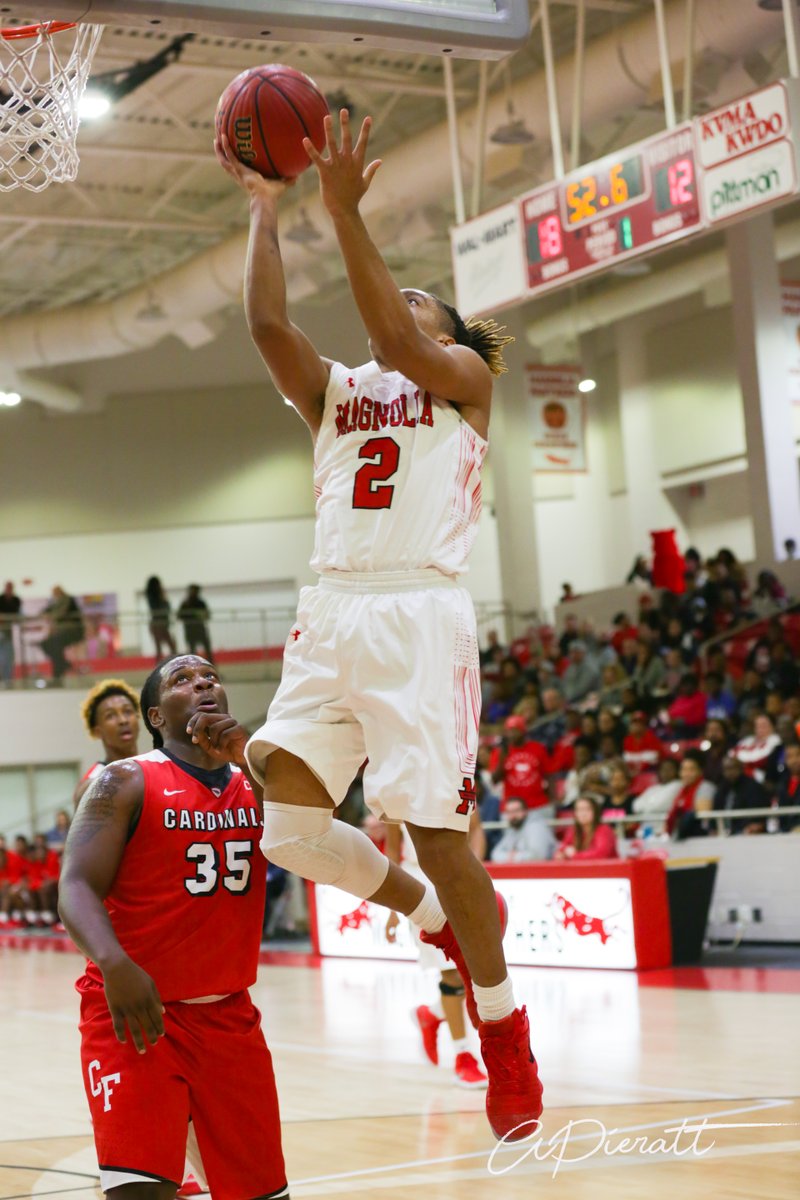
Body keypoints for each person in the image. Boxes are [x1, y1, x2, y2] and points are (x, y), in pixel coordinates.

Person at [217, 108, 541, 1142]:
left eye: (414, 301)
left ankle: (502, 1034)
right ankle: (431, 922)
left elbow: (399, 335)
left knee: (446, 840)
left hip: (416, 614)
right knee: (288, 829)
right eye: (387, 295)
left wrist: (342, 210)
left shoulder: (460, 385)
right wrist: (266, 209)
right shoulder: (335, 392)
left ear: (448, 331)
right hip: (332, 607)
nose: (391, 311)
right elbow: (269, 329)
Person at [58, 655, 289, 1200]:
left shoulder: (258, 781)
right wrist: (114, 963)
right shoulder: (123, 780)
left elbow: (321, 846)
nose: (203, 682)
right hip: (137, 1016)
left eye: (210, 676)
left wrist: (252, 761)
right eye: (183, 679)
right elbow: (74, 885)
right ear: (157, 717)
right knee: (142, 1192)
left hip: (229, 1018)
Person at [384, 823, 487, 1089]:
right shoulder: (392, 784)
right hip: (419, 886)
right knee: (451, 972)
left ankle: (431, 1014)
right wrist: (392, 908)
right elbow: (392, 849)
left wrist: (475, 866)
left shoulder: (455, 780)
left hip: (459, 879)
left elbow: (475, 827)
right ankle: (463, 1056)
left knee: (471, 972)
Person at [72, 679, 141, 808]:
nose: (123, 720)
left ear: (137, 718)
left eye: (127, 711)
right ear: (97, 731)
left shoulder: (155, 766)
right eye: (110, 716)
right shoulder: (92, 784)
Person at [493, 715, 552, 814]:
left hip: (537, 805)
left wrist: (553, 799)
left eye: (515, 730)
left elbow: (549, 775)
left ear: (523, 731)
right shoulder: (500, 752)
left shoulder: (538, 748)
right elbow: (495, 780)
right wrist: (502, 759)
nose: (511, 734)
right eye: (509, 731)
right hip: (511, 807)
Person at [712, 755, 770, 836]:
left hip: (748, 833)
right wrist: (714, 829)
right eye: (726, 769)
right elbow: (715, 810)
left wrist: (750, 827)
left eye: (733, 768)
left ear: (741, 768)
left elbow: (758, 815)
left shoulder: (753, 787)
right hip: (725, 833)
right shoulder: (722, 788)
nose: (730, 772)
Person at [665, 749, 715, 839]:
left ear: (700, 771)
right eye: (683, 769)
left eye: (691, 770)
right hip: (680, 837)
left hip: (699, 837)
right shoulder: (680, 789)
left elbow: (703, 817)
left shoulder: (705, 787)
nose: (686, 774)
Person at [40, 585, 84, 684]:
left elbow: (60, 613)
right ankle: (63, 666)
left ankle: (59, 674)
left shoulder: (67, 600)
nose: (54, 595)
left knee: (53, 645)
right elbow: (45, 611)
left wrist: (50, 616)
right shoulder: (56, 602)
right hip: (63, 632)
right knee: (49, 646)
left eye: (55, 593)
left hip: (73, 632)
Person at [490, 797, 555, 863]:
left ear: (525, 811)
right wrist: (513, 857)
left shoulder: (536, 826)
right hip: (527, 870)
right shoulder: (513, 829)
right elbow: (495, 854)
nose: (513, 816)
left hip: (549, 870)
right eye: (509, 812)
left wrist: (514, 857)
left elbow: (538, 856)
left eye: (516, 811)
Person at [555, 795, 618, 860]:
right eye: (579, 809)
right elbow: (562, 848)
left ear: (595, 811)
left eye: (587, 809)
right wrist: (561, 854)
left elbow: (601, 854)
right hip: (581, 868)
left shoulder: (604, 830)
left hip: (606, 869)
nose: (583, 813)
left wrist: (575, 855)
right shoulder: (573, 830)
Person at [177, 585, 213, 660]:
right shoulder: (185, 604)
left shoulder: (201, 603)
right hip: (190, 630)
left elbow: (207, 615)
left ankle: (211, 666)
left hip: (200, 629)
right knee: (192, 651)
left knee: (207, 649)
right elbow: (179, 616)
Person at [144, 576, 177, 660]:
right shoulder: (155, 597)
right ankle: (167, 665)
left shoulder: (153, 596)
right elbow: (164, 607)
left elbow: (166, 608)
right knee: (167, 646)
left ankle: (168, 664)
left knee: (165, 647)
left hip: (159, 623)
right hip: (158, 623)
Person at [0, 580, 21, 685]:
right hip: (3, 630)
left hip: (7, 631)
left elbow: (16, 615)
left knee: (7, 657)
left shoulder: (16, 600)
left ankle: (7, 680)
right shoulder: (1, 599)